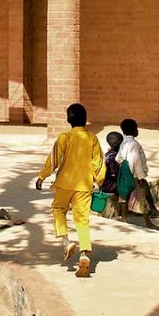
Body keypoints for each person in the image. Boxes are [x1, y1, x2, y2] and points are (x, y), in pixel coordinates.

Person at [36, 102, 105, 278]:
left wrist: (42, 176)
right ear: (86, 119)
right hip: (84, 186)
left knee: (58, 209)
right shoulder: (92, 138)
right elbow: (98, 162)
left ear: (68, 119)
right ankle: (84, 253)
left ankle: (66, 242)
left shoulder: (64, 137)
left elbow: (54, 160)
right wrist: (100, 180)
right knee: (82, 220)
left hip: (64, 184)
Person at [117, 118, 159, 229]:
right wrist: (140, 176)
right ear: (132, 130)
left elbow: (118, 158)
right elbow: (136, 161)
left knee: (123, 195)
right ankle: (148, 223)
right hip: (135, 175)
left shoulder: (123, 143)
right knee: (141, 199)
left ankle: (124, 218)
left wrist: (124, 167)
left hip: (125, 174)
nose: (137, 131)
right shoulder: (134, 144)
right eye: (136, 129)